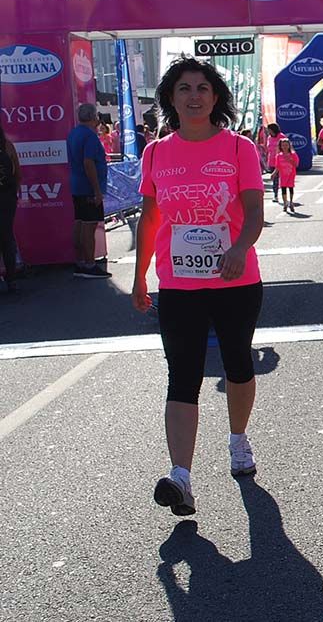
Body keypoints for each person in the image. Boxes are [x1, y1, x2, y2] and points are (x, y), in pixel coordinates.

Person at [132, 57, 265, 517]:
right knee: (182, 373)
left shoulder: (238, 148)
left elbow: (253, 212)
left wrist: (238, 248)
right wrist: (139, 276)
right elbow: (150, 219)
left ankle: (238, 439)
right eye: (184, 88)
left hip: (235, 279)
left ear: (215, 97)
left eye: (203, 88)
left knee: (237, 364)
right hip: (179, 283)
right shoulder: (155, 153)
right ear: (170, 98)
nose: (194, 96)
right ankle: (181, 477)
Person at [67, 103, 111, 279]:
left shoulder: (73, 133)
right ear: (94, 117)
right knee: (89, 225)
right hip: (87, 188)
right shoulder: (90, 136)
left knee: (79, 222)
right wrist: (97, 190)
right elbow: (88, 162)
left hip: (77, 185)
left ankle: (80, 261)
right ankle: (89, 264)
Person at [0, 123, 22, 294]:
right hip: (7, 197)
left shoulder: (8, 146)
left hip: (7, 196)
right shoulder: (7, 145)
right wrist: (16, 189)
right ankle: (11, 278)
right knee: (7, 237)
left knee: (7, 238)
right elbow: (17, 170)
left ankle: (11, 277)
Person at [273, 137, 299, 213]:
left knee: (291, 188)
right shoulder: (278, 156)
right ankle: (285, 203)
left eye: (286, 145)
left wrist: (290, 160)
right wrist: (274, 173)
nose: (285, 147)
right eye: (283, 145)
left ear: (289, 146)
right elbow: (277, 166)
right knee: (283, 188)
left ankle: (291, 202)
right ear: (280, 146)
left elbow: (296, 164)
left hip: (291, 174)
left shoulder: (293, 155)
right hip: (283, 175)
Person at [264, 123, 286, 203]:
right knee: (275, 179)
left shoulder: (281, 136)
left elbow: (287, 147)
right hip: (272, 161)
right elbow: (268, 149)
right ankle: (276, 195)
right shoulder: (269, 138)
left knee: (283, 179)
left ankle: (285, 194)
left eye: (269, 129)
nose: (268, 131)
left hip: (282, 160)